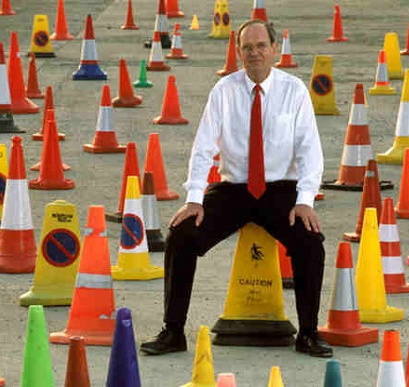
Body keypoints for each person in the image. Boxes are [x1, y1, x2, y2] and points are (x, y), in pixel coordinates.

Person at [139, 19, 331, 358]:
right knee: (181, 235)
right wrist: (194, 198)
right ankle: (173, 331)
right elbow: (203, 148)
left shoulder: (294, 91)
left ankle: (309, 334)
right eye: (247, 47)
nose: (254, 53)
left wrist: (304, 200)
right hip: (234, 189)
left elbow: (309, 149)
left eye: (261, 46)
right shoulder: (224, 91)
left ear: (274, 50)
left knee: (310, 243)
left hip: (279, 188)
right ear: (239, 52)